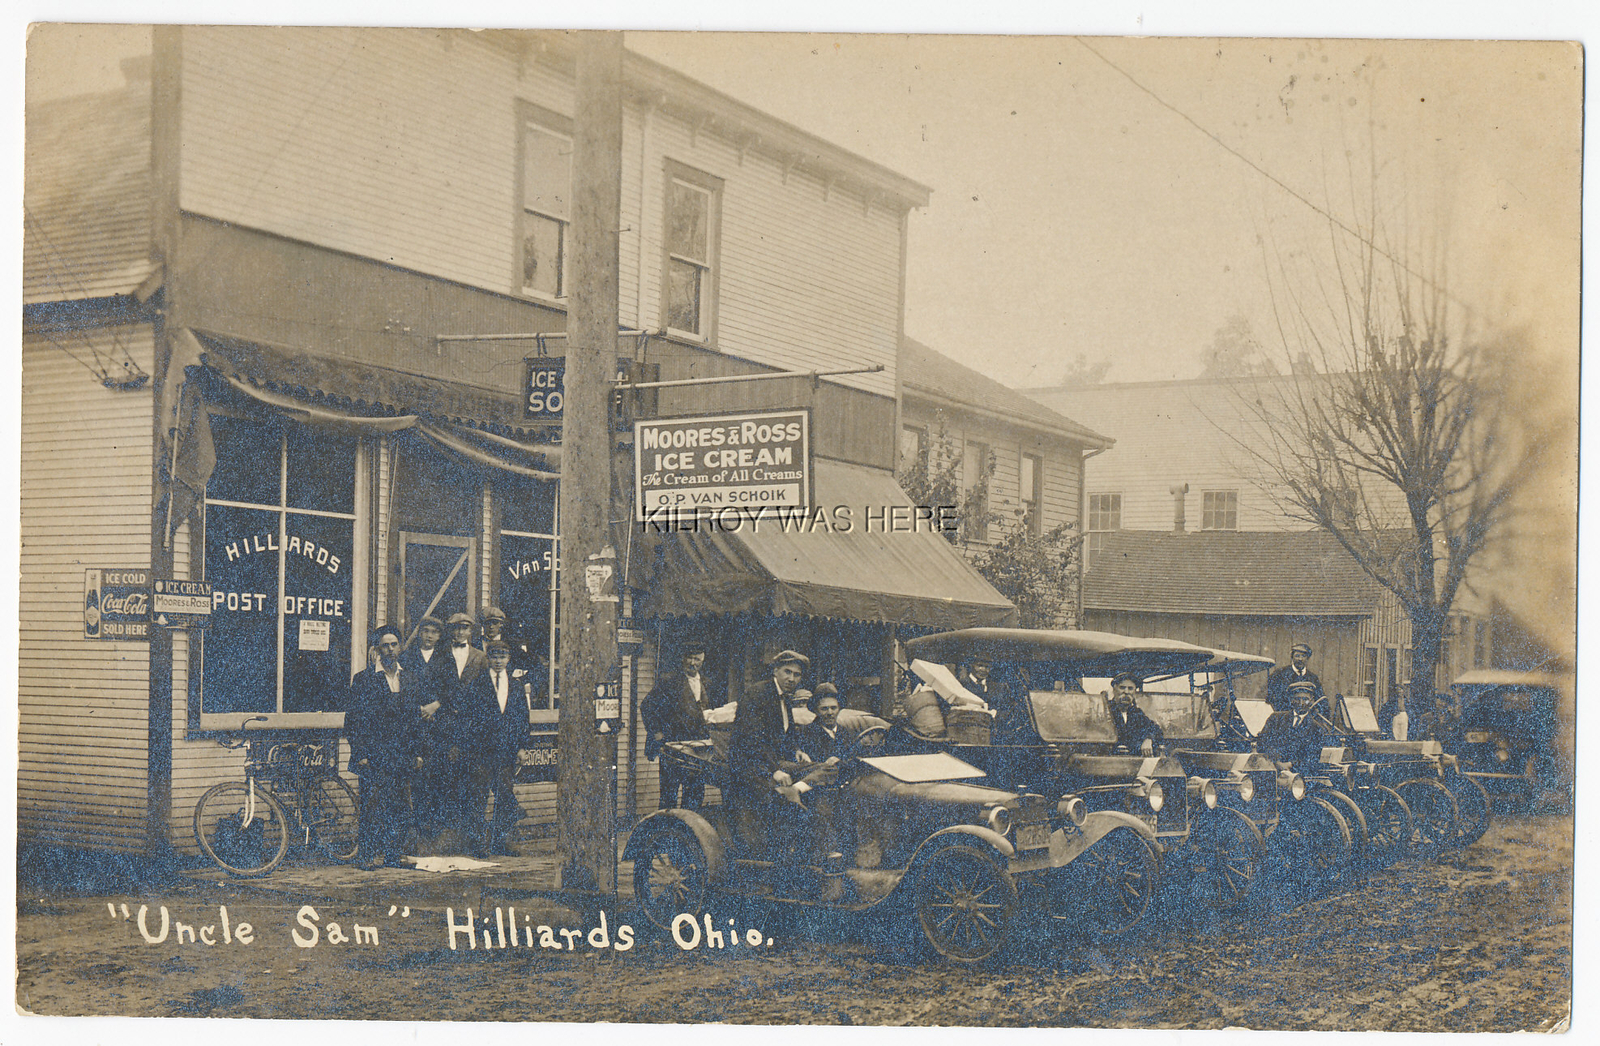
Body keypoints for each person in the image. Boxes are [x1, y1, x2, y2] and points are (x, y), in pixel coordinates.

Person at [726, 650, 841, 892]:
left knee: (830, 768)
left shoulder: (785, 698)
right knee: (785, 801)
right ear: (775, 671)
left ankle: (797, 788)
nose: (792, 678)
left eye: (797, 674)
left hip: (775, 762)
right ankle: (789, 863)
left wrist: (798, 750)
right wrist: (774, 770)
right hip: (750, 766)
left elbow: (785, 735)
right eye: (787, 672)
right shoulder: (757, 694)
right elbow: (751, 739)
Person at [346, 628, 423, 869]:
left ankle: (394, 854)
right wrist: (360, 754)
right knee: (372, 805)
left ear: (400, 648)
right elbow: (354, 721)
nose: (390, 649)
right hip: (374, 755)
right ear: (377, 650)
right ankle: (366, 856)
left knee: (400, 805)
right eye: (385, 645)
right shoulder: (364, 679)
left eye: (394, 644)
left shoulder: (409, 678)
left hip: (402, 754)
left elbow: (415, 720)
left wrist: (419, 752)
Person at [459, 640, 527, 857]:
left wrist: (522, 747)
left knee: (505, 797)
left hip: (506, 752)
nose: (498, 661)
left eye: (503, 656)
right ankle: (477, 843)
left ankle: (500, 840)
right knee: (478, 798)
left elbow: (522, 719)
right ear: (488, 658)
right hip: (482, 752)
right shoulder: (477, 684)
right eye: (495, 656)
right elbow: (467, 718)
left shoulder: (515, 686)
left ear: (508, 659)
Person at [430, 611, 489, 852]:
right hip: (446, 728)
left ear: (471, 632)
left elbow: (487, 694)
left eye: (464, 629)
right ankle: (450, 841)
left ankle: (476, 840)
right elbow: (433, 687)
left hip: (473, 730)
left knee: (474, 786)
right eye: (455, 629)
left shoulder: (481, 657)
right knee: (447, 783)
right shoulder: (440, 657)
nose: (459, 633)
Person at [640, 644, 725, 810]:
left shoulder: (708, 684)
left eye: (697, 659)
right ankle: (666, 831)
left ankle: (687, 832)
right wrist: (657, 733)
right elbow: (647, 706)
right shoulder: (669, 681)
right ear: (683, 659)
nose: (692, 663)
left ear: (703, 660)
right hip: (672, 747)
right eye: (689, 658)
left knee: (694, 794)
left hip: (697, 750)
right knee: (668, 795)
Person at [1257, 681, 1331, 768]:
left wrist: (1290, 765)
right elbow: (1262, 742)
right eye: (1297, 699)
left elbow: (1312, 757)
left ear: (1312, 700)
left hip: (1296, 773)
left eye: (1305, 699)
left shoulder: (1316, 728)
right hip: (1271, 766)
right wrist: (1276, 761)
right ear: (1291, 700)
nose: (1301, 703)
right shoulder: (1276, 719)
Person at [1108, 673, 1165, 754]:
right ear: (1114, 690)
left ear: (1134, 692)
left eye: (1130, 688)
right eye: (1122, 688)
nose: (1126, 692)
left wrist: (1148, 739)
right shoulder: (1104, 710)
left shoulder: (1136, 713)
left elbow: (1156, 730)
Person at [1266, 643, 1324, 713]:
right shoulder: (1279, 674)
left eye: (1303, 656)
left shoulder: (1313, 678)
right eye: (1297, 656)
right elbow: (1272, 699)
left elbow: (1320, 700)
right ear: (1292, 657)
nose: (1300, 659)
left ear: (1307, 658)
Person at [799, 685, 846, 762]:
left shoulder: (846, 732)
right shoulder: (806, 733)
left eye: (833, 708)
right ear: (816, 711)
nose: (830, 713)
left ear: (839, 709)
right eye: (824, 709)